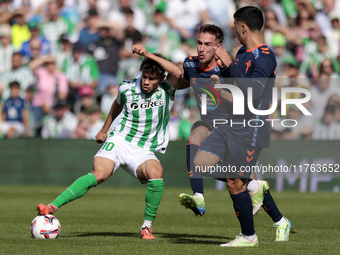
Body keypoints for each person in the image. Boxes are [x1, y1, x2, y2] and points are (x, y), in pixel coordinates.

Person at [36, 44, 182, 240]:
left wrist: (147, 54)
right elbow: (117, 104)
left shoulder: (167, 89)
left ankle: (146, 227)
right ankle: (52, 206)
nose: (146, 82)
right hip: (120, 139)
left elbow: (178, 72)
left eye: (152, 79)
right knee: (100, 175)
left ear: (160, 79)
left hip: (143, 149)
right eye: (144, 77)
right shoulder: (127, 87)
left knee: (156, 174)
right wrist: (105, 130)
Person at [194, 6, 292, 246]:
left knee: (233, 182)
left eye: (236, 26)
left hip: (251, 128)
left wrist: (229, 67)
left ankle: (249, 236)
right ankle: (258, 189)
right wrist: (222, 84)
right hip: (232, 123)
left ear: (243, 27)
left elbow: (255, 92)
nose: (234, 30)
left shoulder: (265, 57)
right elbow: (239, 91)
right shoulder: (242, 52)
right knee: (198, 164)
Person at [177, 24, 268, 217]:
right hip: (209, 124)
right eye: (199, 43)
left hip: (233, 128)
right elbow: (181, 77)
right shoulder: (191, 64)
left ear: (219, 46)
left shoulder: (229, 71)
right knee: (193, 138)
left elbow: (245, 102)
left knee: (242, 183)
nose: (202, 48)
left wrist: (222, 90)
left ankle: (280, 220)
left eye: (208, 44)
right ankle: (199, 197)